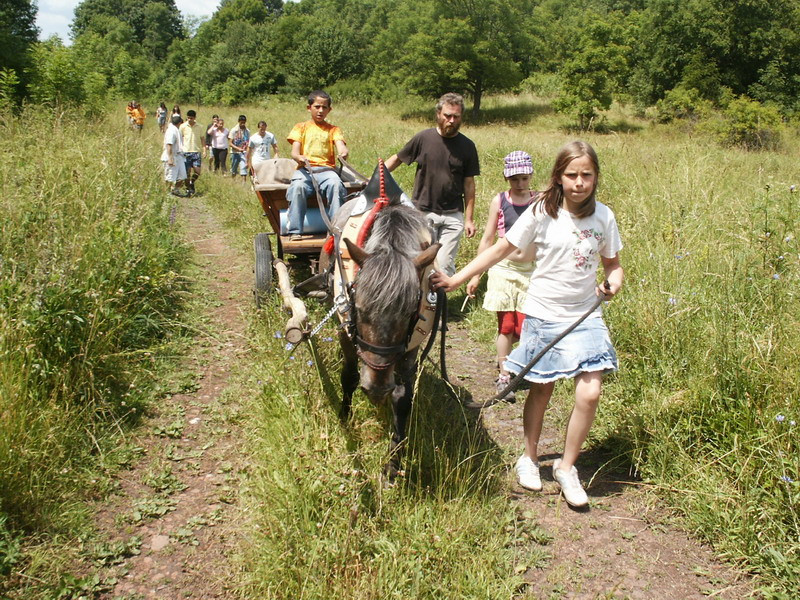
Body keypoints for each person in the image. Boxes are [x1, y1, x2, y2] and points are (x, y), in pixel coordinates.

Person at [431, 141, 624, 508]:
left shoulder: (604, 217)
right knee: (542, 389)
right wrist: (457, 280)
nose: (579, 182)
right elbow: (500, 249)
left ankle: (567, 468)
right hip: (544, 314)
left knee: (590, 392)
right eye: (572, 175)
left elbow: (613, 263)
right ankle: (530, 458)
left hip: (585, 314)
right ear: (558, 177)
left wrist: (613, 281)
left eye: (587, 175)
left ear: (596, 177)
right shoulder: (541, 211)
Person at [467, 151, 537, 402]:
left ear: (530, 176)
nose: (520, 184)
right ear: (507, 178)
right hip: (503, 269)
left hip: (531, 271)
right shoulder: (500, 201)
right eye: (514, 179)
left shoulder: (539, 201)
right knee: (506, 325)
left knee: (525, 326)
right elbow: (487, 239)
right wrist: (476, 274)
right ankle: (505, 375)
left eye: (524, 178)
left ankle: (517, 365)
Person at [385, 92, 479, 276]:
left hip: (453, 216)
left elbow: (469, 184)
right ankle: (418, 302)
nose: (451, 120)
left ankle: (440, 303)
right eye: (447, 116)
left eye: (456, 117)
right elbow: (397, 159)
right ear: (438, 115)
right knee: (419, 264)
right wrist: (375, 178)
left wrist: (468, 219)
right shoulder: (423, 138)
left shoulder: (468, 146)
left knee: (444, 266)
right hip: (423, 213)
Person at [285, 90, 349, 241]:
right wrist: (299, 157)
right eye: (317, 106)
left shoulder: (334, 129)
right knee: (297, 188)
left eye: (324, 107)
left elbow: (340, 145)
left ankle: (336, 230)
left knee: (336, 185)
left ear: (329, 110)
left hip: (327, 170)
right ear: (309, 108)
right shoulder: (300, 127)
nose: (321, 110)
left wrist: (343, 152)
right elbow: (294, 151)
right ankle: (295, 231)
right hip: (305, 170)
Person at [161, 114, 187, 196]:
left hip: (179, 156)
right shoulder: (171, 131)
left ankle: (175, 190)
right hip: (171, 156)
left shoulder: (176, 130)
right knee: (170, 177)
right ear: (180, 123)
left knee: (182, 175)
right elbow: (169, 145)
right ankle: (167, 192)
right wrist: (170, 158)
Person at [180, 109, 203, 196]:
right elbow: (180, 138)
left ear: (195, 118)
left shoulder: (199, 126)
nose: (190, 119)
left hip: (196, 151)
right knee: (187, 172)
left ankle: (192, 182)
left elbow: (202, 138)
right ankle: (188, 188)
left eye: (191, 118)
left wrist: (204, 149)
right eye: (188, 118)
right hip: (186, 151)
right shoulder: (183, 126)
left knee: (197, 171)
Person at [228, 114, 250, 181]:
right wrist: (238, 149)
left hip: (244, 153)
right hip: (235, 153)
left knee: (243, 169)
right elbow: (230, 143)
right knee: (234, 169)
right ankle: (233, 181)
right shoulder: (234, 130)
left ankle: (244, 183)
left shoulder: (247, 131)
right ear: (238, 121)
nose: (243, 124)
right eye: (241, 122)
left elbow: (248, 141)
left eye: (244, 122)